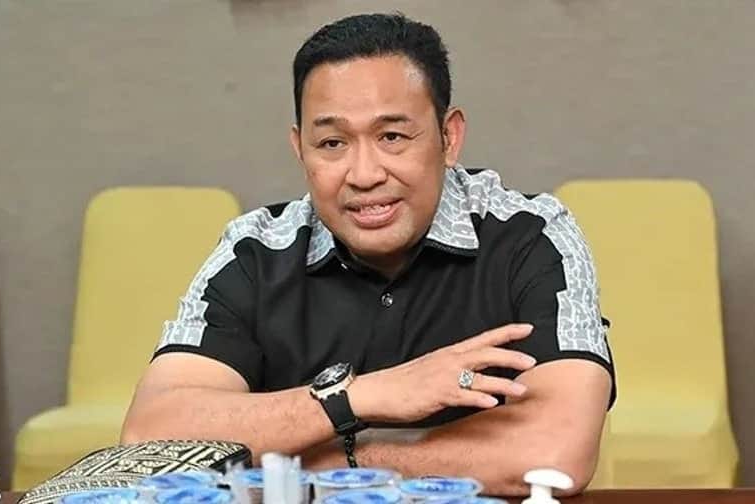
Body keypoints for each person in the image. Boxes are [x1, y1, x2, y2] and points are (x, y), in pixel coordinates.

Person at [121, 12, 615, 496]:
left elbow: (556, 451)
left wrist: (324, 459)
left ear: (449, 137)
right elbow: (151, 437)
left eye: (392, 137)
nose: (363, 175)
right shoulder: (254, 250)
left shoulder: (532, 235)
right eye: (332, 142)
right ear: (300, 148)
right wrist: (356, 397)